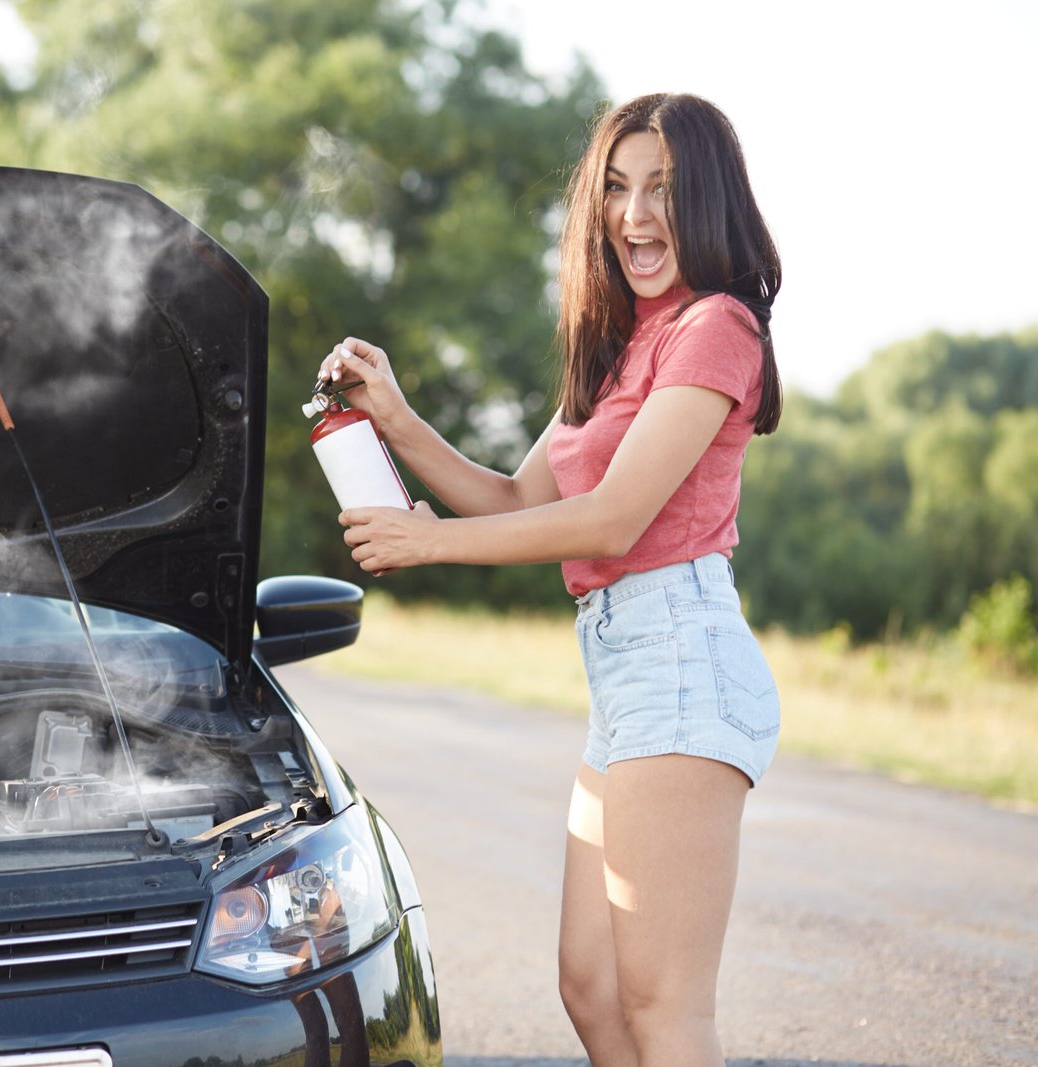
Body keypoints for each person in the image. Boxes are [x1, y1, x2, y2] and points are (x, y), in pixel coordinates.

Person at [317, 92, 782, 1067]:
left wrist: (424, 544)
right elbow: (511, 495)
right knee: (592, 987)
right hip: (623, 673)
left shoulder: (716, 325)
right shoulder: (618, 348)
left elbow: (616, 516)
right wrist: (394, 417)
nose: (635, 214)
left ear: (706, 201)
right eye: (615, 188)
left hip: (680, 658)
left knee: (662, 1006)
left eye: (662, 188)